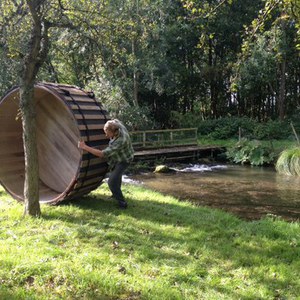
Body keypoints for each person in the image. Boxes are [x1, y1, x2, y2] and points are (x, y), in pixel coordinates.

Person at [78, 119, 134, 209]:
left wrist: (84, 147)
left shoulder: (121, 141)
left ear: (114, 132)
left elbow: (102, 154)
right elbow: (115, 120)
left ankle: (122, 203)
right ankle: (115, 194)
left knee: (111, 181)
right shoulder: (117, 126)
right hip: (117, 158)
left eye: (107, 133)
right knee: (117, 177)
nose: (106, 135)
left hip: (124, 160)